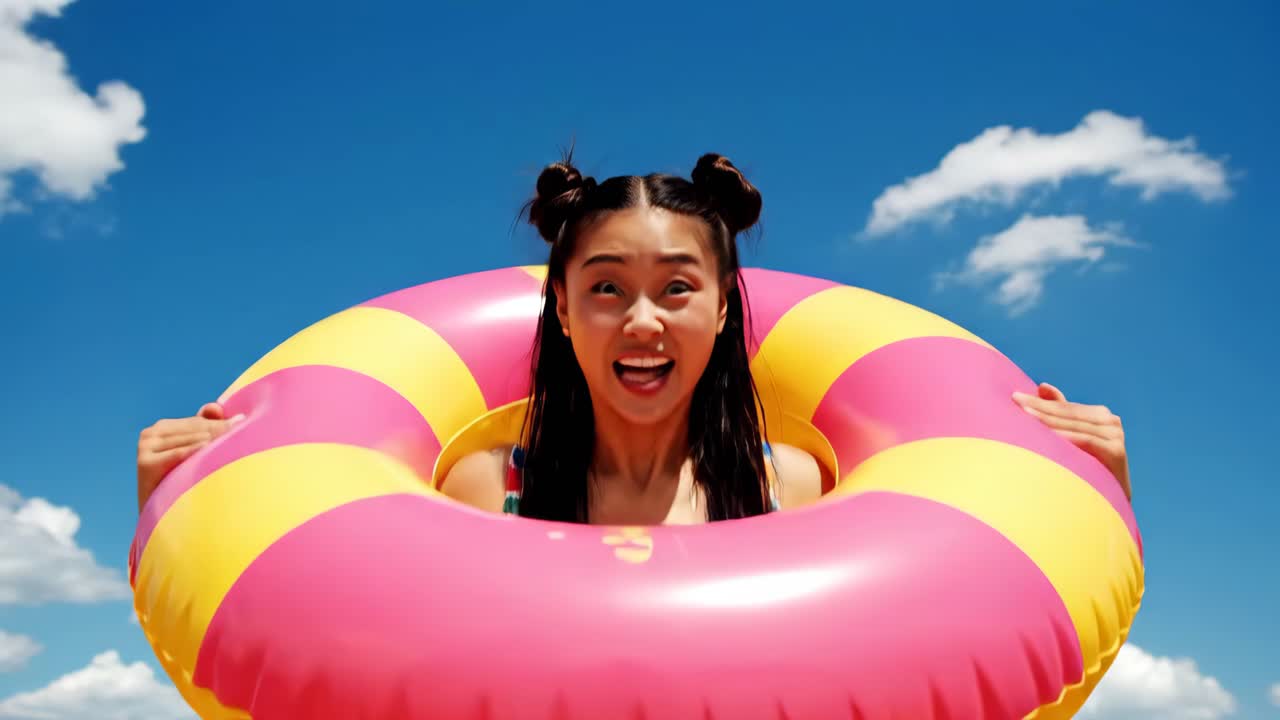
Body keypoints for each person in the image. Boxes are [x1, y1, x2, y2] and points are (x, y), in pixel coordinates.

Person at [136, 153, 1133, 523]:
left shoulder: (791, 485)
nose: (643, 321)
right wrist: (176, 511)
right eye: (606, 289)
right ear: (561, 311)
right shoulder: (489, 491)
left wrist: (1093, 493)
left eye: (676, 289)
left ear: (724, 309)